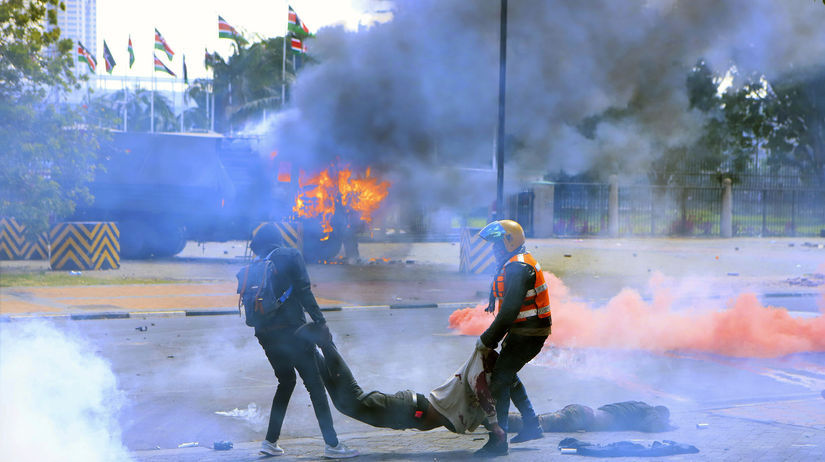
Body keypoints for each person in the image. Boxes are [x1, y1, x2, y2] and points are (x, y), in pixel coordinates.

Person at [295, 323, 672, 438]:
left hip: (416, 414)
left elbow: (516, 389)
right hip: (412, 409)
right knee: (352, 401)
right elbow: (485, 390)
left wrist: (529, 423)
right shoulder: (484, 365)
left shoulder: (500, 374)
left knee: (348, 403)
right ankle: (322, 344)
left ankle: (314, 351)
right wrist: (496, 428)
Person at [247, 224, 358, 459]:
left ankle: (270, 442)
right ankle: (333, 445)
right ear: (279, 239)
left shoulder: (256, 264)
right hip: (292, 332)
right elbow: (304, 290)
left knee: (286, 382)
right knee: (315, 386)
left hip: (265, 335)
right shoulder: (290, 255)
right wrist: (320, 320)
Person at [474, 219, 552, 456]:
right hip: (524, 331)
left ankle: (499, 441)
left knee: (499, 380)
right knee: (507, 374)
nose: (493, 250)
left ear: (510, 241)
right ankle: (532, 425)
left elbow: (508, 312)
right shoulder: (515, 262)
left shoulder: (518, 267)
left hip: (529, 333)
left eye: (497, 244)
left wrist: (487, 339)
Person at [507, 402, 672, 433]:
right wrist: (669, 425)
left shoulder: (636, 405)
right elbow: (654, 426)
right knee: (537, 424)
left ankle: (495, 419)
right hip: (581, 417)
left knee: (537, 421)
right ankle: (493, 418)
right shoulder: (649, 410)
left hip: (580, 412)